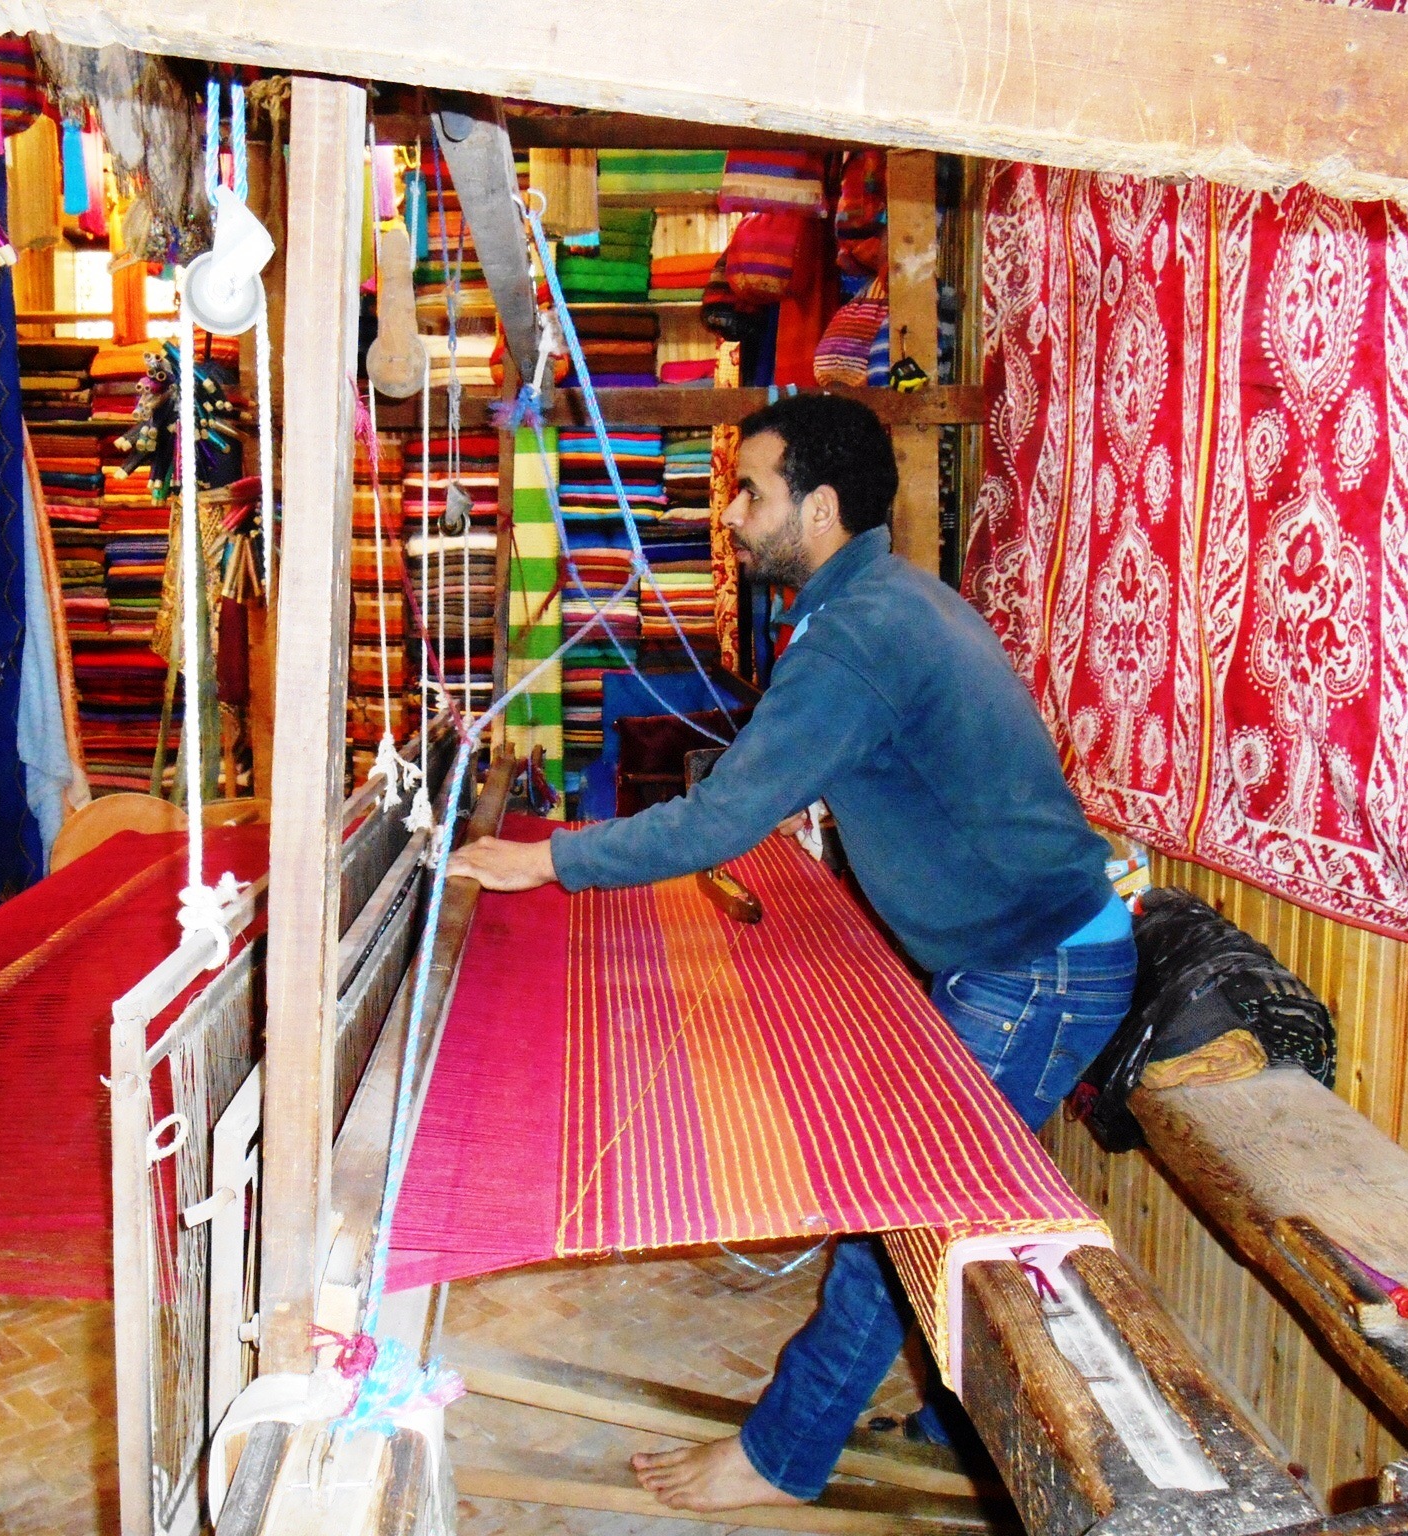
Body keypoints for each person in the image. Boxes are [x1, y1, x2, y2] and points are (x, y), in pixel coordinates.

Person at [448, 392, 1136, 1512]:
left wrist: (548, 861)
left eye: (750, 492)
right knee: (952, 1205)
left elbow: (723, 817)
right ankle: (957, 1423)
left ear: (817, 509)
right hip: (1027, 951)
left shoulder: (858, 632)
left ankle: (780, 1455)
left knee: (898, 1213)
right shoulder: (876, 600)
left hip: (1038, 966)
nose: (728, 514)